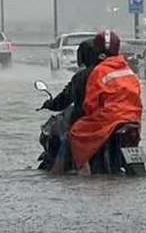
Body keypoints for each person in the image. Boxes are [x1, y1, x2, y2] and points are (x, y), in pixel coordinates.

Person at [70, 30, 143, 176]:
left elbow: (90, 104)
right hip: (134, 119)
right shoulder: (128, 69)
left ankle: (84, 172)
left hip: (110, 119)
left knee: (75, 133)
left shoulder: (99, 71)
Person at [39, 39, 102, 173]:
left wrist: (50, 104)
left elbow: (64, 99)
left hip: (88, 123)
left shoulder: (82, 76)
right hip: (119, 120)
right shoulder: (113, 73)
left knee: (67, 141)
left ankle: (59, 172)